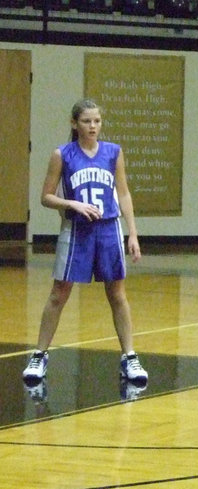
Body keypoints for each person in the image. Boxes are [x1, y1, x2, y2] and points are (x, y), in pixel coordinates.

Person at [21, 99, 148, 385]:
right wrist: (72, 204)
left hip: (108, 230)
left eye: (97, 121)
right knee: (59, 294)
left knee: (117, 294)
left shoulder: (113, 152)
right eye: (87, 121)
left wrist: (133, 233)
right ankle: (40, 355)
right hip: (76, 230)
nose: (93, 126)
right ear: (74, 123)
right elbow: (45, 197)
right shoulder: (62, 154)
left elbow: (124, 194)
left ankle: (129, 357)